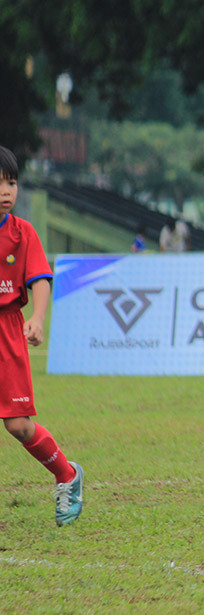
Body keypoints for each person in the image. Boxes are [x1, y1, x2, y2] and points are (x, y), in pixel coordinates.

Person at [0, 145, 83, 526]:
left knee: (18, 425)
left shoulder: (23, 233)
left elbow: (40, 279)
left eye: (12, 183)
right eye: (0, 183)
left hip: (8, 330)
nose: (6, 191)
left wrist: (37, 317)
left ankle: (66, 474)